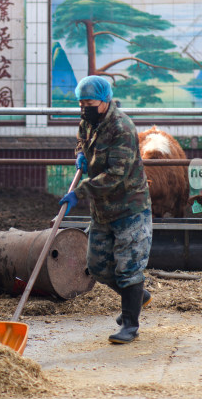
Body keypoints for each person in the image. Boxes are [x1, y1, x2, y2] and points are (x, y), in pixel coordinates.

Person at [59, 75, 153, 344]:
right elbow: (82, 139)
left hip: (129, 207)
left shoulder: (122, 127)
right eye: (81, 102)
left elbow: (116, 175)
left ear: (105, 100)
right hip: (101, 209)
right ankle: (137, 296)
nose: (83, 107)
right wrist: (80, 153)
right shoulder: (88, 122)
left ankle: (130, 325)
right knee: (97, 266)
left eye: (89, 102)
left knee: (128, 269)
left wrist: (79, 192)